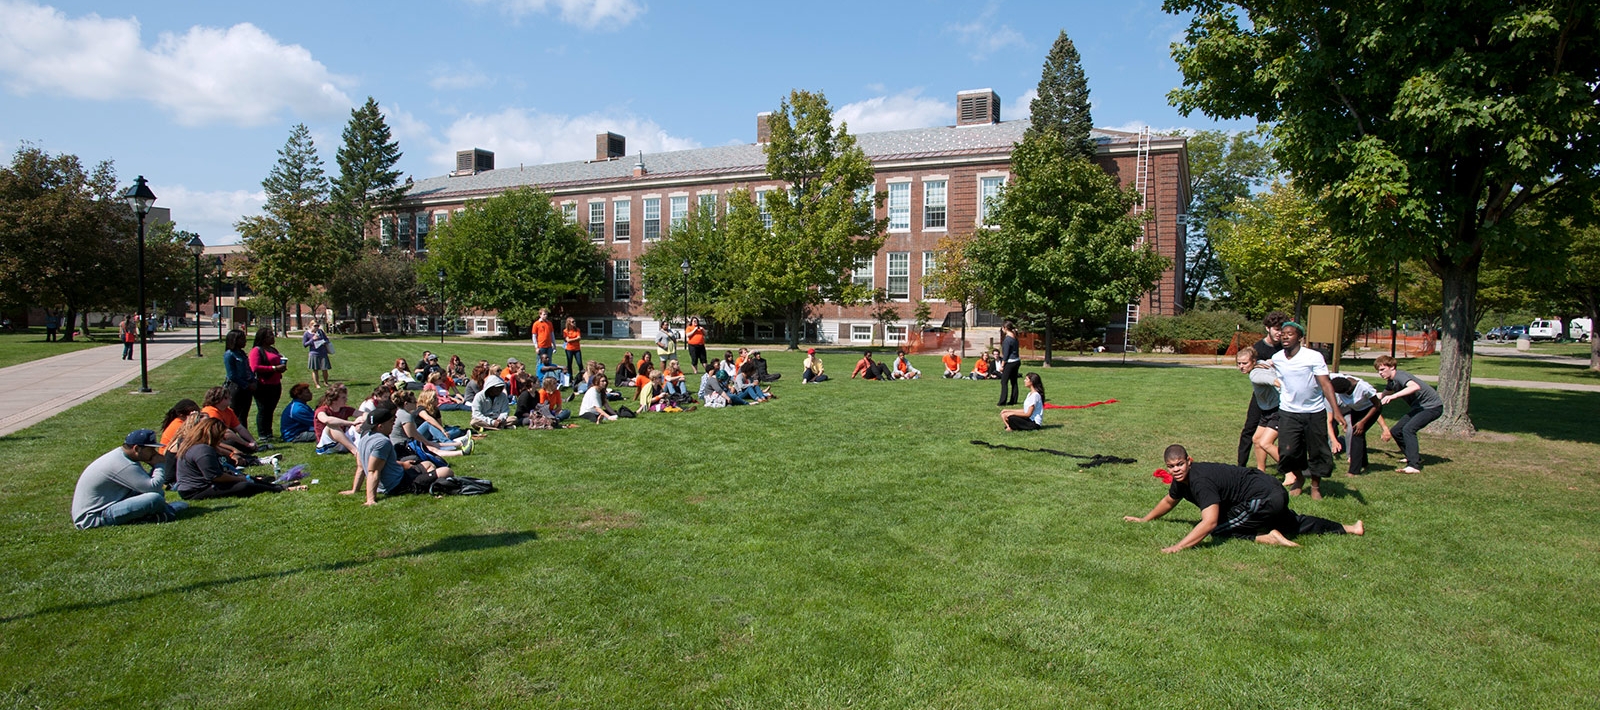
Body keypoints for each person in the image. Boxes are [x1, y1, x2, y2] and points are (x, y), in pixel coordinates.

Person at [1124, 444, 1364, 552]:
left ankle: (1267, 536)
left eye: (1180, 464)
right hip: (1270, 493)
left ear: (1190, 461)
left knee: (1218, 529)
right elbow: (1169, 501)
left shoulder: (1200, 481)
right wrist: (1145, 519)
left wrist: (1178, 547)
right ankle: (1351, 528)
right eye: (1171, 466)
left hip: (1263, 497)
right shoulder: (1181, 482)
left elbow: (1208, 522)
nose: (1176, 469)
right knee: (1295, 523)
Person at [1271, 320, 1342, 500]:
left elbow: (1326, 384)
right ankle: (1299, 477)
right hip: (1288, 411)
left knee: (1317, 450)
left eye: (1290, 333)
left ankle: (1316, 485)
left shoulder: (1313, 357)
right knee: (1288, 451)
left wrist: (1336, 410)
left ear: (1300, 338)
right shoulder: (1278, 358)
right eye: (1283, 333)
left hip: (1314, 411)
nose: (1285, 336)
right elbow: (1265, 365)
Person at [71, 429, 187, 528]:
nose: (154, 452)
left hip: (105, 505)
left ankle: (155, 513)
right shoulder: (123, 464)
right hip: (92, 517)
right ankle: (166, 513)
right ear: (137, 449)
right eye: (150, 449)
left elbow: (146, 486)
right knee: (154, 499)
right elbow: (154, 488)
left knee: (155, 497)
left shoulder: (124, 457)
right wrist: (159, 465)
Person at [348, 406, 454, 505]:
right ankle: (432, 485)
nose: (393, 425)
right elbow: (373, 471)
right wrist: (370, 499)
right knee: (446, 471)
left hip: (398, 475)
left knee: (427, 464)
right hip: (397, 485)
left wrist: (355, 490)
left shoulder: (364, 439)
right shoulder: (382, 442)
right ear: (380, 426)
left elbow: (361, 467)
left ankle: (429, 482)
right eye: (391, 422)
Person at [173, 417, 287, 500]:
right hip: (195, 491)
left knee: (244, 477)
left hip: (202, 485)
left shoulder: (195, 445)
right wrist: (239, 479)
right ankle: (277, 488)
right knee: (244, 485)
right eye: (221, 435)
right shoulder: (203, 450)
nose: (223, 438)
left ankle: (277, 486)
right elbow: (215, 477)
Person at [1374, 355, 1444, 474]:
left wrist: (1394, 396)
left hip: (1432, 407)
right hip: (1420, 408)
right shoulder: (1391, 382)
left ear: (1392, 367)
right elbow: (1383, 395)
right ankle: (1413, 456)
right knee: (1396, 431)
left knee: (1409, 429)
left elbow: (1415, 386)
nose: (1380, 373)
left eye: (1382, 369)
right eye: (1378, 371)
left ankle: (1413, 466)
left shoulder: (1400, 376)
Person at [1237, 311, 1288, 467]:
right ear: (1267, 328)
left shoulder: (1286, 347)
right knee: (1249, 431)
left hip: (1281, 397)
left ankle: (1294, 467)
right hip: (1262, 396)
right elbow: (1257, 373)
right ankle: (1240, 467)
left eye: (1282, 329)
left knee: (1288, 433)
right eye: (1276, 329)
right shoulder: (1258, 348)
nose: (1279, 333)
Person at [1330, 374, 1385, 476]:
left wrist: (1362, 422)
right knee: (1359, 435)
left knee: (1356, 435)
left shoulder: (1364, 388)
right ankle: (1364, 463)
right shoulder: (1337, 379)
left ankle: (1354, 471)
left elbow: (1376, 405)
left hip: (1371, 410)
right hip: (1356, 410)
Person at [1236, 348, 1281, 473]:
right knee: (1256, 439)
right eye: (1239, 363)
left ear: (1253, 361)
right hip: (1267, 411)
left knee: (1265, 443)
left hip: (1277, 410)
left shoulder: (1256, 375)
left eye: (1245, 363)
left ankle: (1292, 471)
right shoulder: (1262, 364)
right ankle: (1261, 472)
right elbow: (1273, 361)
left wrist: (1284, 389)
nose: (1241, 366)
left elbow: (1275, 381)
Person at [248, 328, 288, 440]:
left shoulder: (273, 350)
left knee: (270, 409)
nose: (273, 337)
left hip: (275, 384)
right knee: (263, 409)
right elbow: (254, 367)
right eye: (270, 335)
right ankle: (262, 434)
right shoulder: (257, 350)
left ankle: (269, 433)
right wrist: (274, 368)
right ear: (263, 338)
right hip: (262, 385)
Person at [314, 384, 364, 455]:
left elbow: (364, 414)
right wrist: (352, 423)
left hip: (342, 441)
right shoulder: (321, 410)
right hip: (327, 445)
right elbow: (326, 420)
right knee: (332, 426)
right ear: (334, 400)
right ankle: (355, 451)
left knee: (361, 419)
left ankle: (363, 446)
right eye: (343, 397)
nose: (346, 399)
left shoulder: (344, 409)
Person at [222, 329, 256, 433]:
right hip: (236, 387)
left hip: (247, 387)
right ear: (234, 340)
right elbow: (232, 375)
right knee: (235, 414)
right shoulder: (229, 355)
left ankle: (244, 437)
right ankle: (230, 438)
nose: (245, 341)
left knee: (244, 414)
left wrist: (253, 380)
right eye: (242, 339)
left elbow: (248, 369)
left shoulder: (241, 353)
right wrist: (246, 385)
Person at [301, 320, 333, 388]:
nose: (317, 327)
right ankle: (317, 384)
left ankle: (326, 382)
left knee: (325, 368)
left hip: (323, 352)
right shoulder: (306, 334)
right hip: (314, 353)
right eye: (315, 326)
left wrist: (324, 341)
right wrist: (312, 339)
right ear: (311, 326)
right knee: (315, 369)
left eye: (318, 326)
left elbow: (326, 339)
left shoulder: (320, 332)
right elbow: (304, 344)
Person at [996, 320, 1021, 406]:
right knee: (1014, 381)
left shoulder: (1007, 340)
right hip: (1016, 361)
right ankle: (1013, 400)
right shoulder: (1015, 337)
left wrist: (1002, 365)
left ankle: (1002, 401)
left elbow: (1006, 354)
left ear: (1005, 328)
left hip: (1010, 362)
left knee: (1004, 381)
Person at [562, 316, 584, 381]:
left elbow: (579, 338)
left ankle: (582, 376)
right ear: (569, 323)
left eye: (574, 321)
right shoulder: (565, 331)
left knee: (580, 363)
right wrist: (575, 339)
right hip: (569, 349)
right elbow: (567, 340)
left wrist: (571, 339)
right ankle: (570, 378)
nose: (574, 323)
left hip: (577, 349)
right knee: (569, 363)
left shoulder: (577, 329)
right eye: (572, 322)